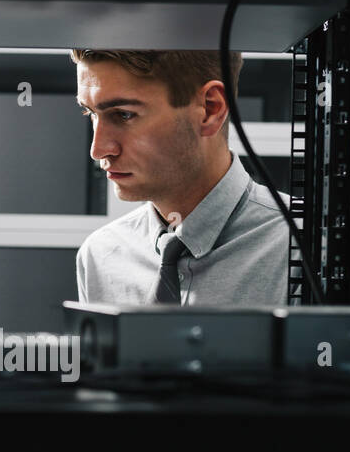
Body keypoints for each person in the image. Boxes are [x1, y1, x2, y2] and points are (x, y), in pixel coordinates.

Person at [72, 48, 291, 307]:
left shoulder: (301, 248)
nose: (97, 150)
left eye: (124, 114)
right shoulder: (100, 255)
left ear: (210, 109)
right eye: (91, 114)